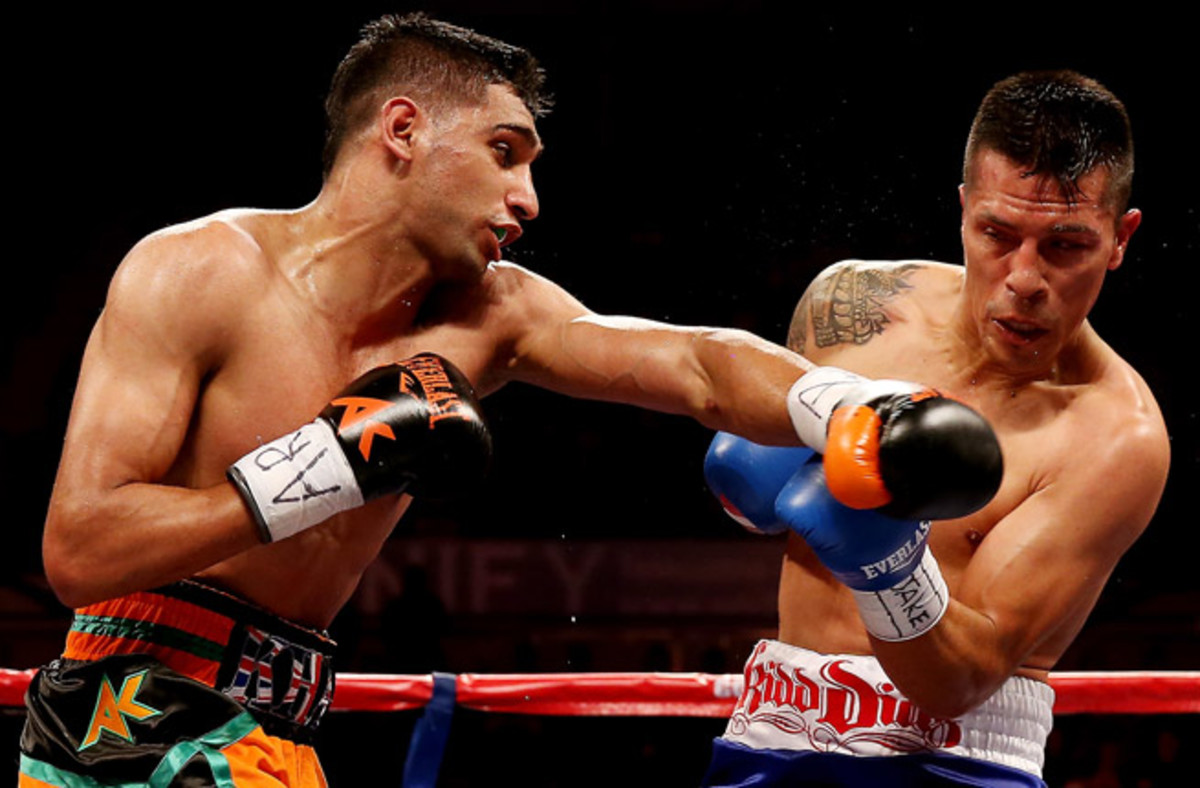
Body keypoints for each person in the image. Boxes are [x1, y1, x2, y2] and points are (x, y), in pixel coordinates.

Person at [17, 13, 1000, 788]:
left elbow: (695, 363)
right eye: (504, 151)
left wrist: (849, 406)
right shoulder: (199, 271)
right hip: (124, 700)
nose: (528, 197)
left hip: (275, 713)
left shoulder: (489, 316)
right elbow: (79, 549)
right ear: (402, 129)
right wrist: (319, 467)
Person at [702, 70, 1170, 787]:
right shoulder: (851, 305)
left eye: (1065, 246)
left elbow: (963, 678)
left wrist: (885, 564)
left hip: (953, 764)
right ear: (962, 211)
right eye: (998, 233)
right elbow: (783, 501)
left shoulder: (1116, 435)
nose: (1023, 278)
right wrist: (750, 500)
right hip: (769, 734)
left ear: (1120, 238)